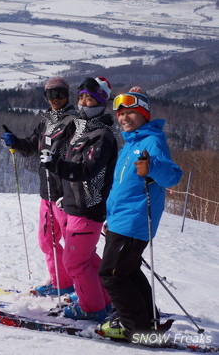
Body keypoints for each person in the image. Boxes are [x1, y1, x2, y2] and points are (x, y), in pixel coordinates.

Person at [98, 87, 182, 340]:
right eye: (121, 114)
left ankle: (135, 327)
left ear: (145, 113)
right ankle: (148, 320)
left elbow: (173, 176)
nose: (124, 118)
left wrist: (152, 166)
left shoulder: (151, 141)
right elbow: (121, 188)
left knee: (111, 274)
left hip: (134, 222)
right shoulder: (131, 142)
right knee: (128, 270)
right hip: (121, 221)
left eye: (131, 113)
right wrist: (110, 219)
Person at [40, 77, 117, 321]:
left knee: (74, 263)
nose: (84, 102)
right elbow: (74, 168)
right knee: (85, 260)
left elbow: (86, 170)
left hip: (88, 209)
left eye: (90, 98)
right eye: (82, 97)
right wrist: (64, 195)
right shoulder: (82, 129)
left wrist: (56, 165)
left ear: (101, 102)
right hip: (76, 206)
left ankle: (92, 308)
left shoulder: (101, 135)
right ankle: (102, 299)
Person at [2, 76, 77, 297]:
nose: (55, 99)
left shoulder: (74, 121)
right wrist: (15, 142)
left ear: (67, 94)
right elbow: (32, 145)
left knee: (75, 247)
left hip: (66, 193)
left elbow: (79, 157)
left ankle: (83, 285)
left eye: (60, 94)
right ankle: (61, 282)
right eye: (51, 95)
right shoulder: (47, 121)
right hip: (47, 192)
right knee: (47, 241)